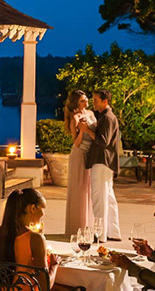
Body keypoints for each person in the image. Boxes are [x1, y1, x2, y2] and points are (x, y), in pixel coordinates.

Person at [0, 188, 59, 290]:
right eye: (43, 208)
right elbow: (45, 287)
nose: (44, 214)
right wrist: (54, 265)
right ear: (32, 208)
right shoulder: (34, 239)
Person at [84, 89, 121, 242]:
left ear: (105, 101)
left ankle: (100, 234)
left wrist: (86, 130)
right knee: (109, 197)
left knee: (99, 198)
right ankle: (113, 231)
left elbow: (102, 141)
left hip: (101, 160)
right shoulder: (108, 117)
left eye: (96, 100)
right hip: (107, 162)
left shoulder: (107, 118)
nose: (94, 103)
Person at [63, 90, 95, 235]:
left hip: (90, 154)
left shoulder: (91, 114)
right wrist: (82, 130)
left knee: (88, 190)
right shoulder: (74, 118)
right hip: (79, 154)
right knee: (79, 190)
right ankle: (77, 227)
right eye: (83, 100)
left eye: (86, 99)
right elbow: (76, 143)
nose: (86, 102)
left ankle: (89, 226)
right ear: (76, 102)